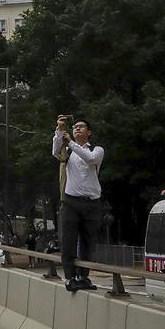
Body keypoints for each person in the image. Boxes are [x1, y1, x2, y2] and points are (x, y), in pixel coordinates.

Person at [52, 115, 104, 292]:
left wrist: (71, 143)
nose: (77, 129)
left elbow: (90, 159)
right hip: (71, 201)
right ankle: (69, 277)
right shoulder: (67, 151)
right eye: (74, 127)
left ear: (89, 132)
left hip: (92, 203)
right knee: (69, 241)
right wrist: (59, 130)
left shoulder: (97, 150)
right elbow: (55, 150)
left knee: (88, 242)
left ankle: (84, 276)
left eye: (81, 127)